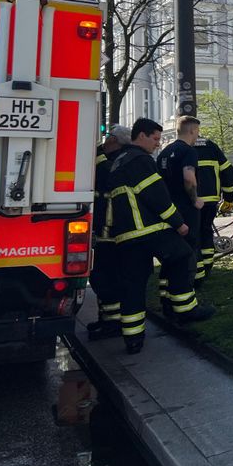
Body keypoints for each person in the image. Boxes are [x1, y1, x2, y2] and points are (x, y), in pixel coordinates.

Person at [108, 118, 213, 354]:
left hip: (125, 235)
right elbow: (157, 196)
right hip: (148, 229)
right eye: (155, 139)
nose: (157, 144)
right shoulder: (140, 160)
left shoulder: (118, 162)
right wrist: (179, 224)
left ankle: (133, 338)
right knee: (183, 254)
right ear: (141, 135)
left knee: (133, 284)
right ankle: (185, 309)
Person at [86, 124, 132, 341]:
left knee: (106, 278)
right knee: (101, 277)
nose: (104, 140)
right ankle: (106, 318)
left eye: (107, 137)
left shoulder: (111, 162)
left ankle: (112, 322)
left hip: (109, 233)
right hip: (104, 231)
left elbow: (101, 170)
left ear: (114, 140)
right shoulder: (112, 158)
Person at [158, 116, 205, 286]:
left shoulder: (164, 152)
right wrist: (195, 199)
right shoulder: (188, 151)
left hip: (169, 209)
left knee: (172, 250)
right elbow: (188, 177)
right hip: (186, 208)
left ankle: (166, 288)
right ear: (192, 130)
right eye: (197, 132)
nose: (197, 136)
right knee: (189, 248)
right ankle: (186, 285)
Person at [194, 136, 233, 282]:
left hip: (189, 201)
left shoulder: (179, 148)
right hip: (211, 199)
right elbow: (228, 171)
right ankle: (207, 266)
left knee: (194, 234)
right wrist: (229, 197)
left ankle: (197, 271)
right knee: (206, 231)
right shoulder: (211, 146)